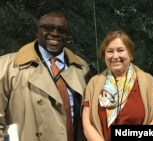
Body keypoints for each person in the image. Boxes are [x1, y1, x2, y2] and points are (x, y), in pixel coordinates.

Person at [0, 12, 92, 141]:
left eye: (61, 30)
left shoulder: (81, 68)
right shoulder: (6, 66)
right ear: (37, 31)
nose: (55, 33)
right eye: (48, 28)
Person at [82, 29, 153, 141]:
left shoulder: (148, 81)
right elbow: (87, 124)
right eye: (110, 51)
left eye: (120, 50)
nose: (115, 56)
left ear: (130, 54)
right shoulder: (94, 83)